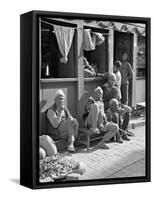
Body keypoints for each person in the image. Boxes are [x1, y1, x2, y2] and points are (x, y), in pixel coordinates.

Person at [103, 74, 132, 140]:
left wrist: (121, 106)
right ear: (108, 80)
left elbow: (119, 100)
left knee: (128, 110)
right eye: (111, 79)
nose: (112, 81)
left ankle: (123, 132)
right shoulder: (105, 88)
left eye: (114, 80)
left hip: (117, 105)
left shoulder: (116, 87)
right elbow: (106, 99)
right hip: (109, 107)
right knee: (115, 114)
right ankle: (118, 135)